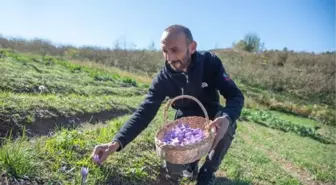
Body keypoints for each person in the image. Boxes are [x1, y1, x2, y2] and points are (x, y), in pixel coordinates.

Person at [91, 24, 244, 185]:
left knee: (227, 125)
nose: (169, 58)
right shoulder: (163, 78)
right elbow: (144, 112)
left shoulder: (210, 63)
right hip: (184, 125)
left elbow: (235, 95)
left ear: (192, 47)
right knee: (170, 172)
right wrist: (116, 143)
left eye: (175, 50)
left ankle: (207, 172)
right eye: (165, 51)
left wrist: (227, 117)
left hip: (212, 118)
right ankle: (189, 164)